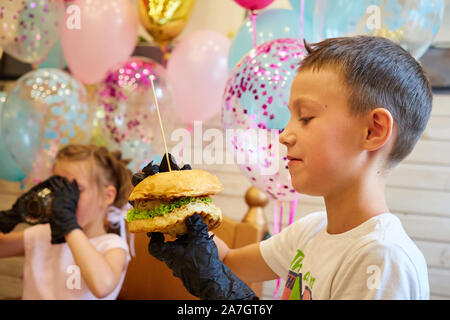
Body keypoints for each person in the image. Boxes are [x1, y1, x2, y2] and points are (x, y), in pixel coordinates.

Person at [144, 36, 432, 300]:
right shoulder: (311, 231)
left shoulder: (381, 260)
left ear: (373, 130)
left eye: (305, 117)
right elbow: (230, 263)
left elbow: (226, 281)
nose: (283, 135)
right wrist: (183, 216)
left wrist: (234, 299)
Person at [0, 144, 133, 299]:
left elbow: (102, 285)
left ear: (107, 196)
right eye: (59, 189)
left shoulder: (111, 245)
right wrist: (11, 216)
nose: (63, 199)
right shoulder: (44, 234)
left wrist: (69, 225)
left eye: (76, 190)